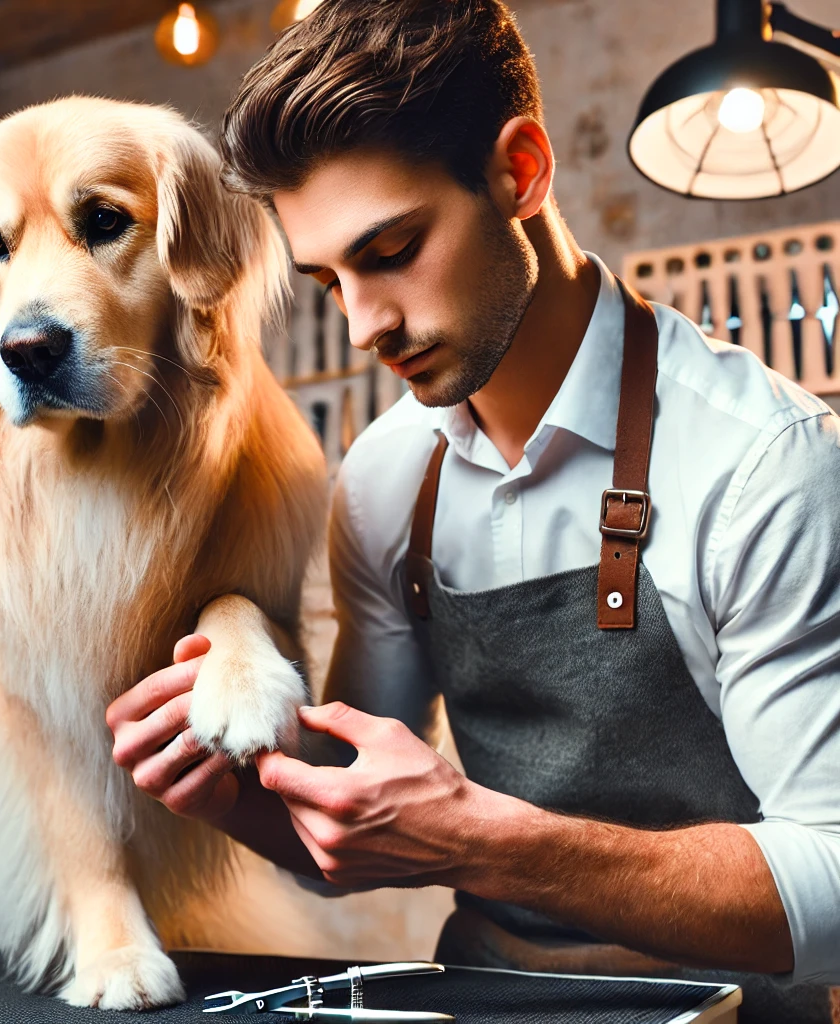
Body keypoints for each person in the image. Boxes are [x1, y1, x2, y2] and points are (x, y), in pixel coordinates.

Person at [105, 1, 840, 1018]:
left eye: (393, 249)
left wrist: (480, 838)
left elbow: (834, 884)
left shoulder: (759, 462)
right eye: (328, 281)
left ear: (523, 170)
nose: (365, 325)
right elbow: (348, 833)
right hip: (490, 996)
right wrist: (234, 795)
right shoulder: (382, 482)